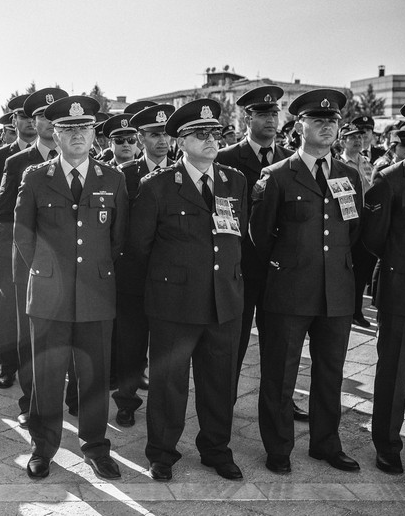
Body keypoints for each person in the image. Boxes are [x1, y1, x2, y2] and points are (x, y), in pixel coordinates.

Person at [129, 98, 247, 482]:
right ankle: (162, 453)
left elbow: (238, 237)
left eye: (216, 133)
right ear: (180, 141)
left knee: (219, 383)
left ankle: (216, 449)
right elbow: (139, 247)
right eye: (201, 134)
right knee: (168, 385)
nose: (212, 140)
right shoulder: (158, 186)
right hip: (174, 304)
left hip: (222, 301)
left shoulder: (234, 180)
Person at [14, 94, 127, 481]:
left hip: (96, 294)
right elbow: (23, 236)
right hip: (48, 295)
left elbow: (119, 239)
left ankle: (95, 447)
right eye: (68, 129)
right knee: (47, 375)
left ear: (94, 133)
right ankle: (43, 448)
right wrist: (47, 274)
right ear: (55, 134)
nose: (77, 135)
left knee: (94, 377)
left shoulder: (113, 178)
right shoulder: (35, 177)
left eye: (83, 127)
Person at [250, 88, 362, 475]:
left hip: (336, 293)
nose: (327, 127)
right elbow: (260, 237)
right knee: (280, 375)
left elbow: (355, 233)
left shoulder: (349, 175)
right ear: (299, 126)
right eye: (318, 121)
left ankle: (326, 444)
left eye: (332, 122)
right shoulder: (277, 176)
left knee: (330, 374)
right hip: (289, 293)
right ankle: (278, 448)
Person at [214, 86, 296, 402]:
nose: (271, 120)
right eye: (263, 114)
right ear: (247, 117)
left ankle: (281, 402)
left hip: (280, 271)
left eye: (274, 113)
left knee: (281, 346)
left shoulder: (291, 161)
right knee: (233, 342)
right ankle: (224, 400)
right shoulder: (226, 158)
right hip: (241, 269)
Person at [0, 88, 67, 414]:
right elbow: (4, 214)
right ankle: (29, 399)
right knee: (27, 330)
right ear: (32, 121)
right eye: (42, 116)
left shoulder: (80, 160)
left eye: (55, 116)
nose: (50, 123)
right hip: (29, 260)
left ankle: (70, 393)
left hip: (69, 261)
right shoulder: (16, 162)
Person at [112, 102, 174, 427]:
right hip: (133, 276)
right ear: (140, 137)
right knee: (131, 345)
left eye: (166, 133)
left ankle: (162, 408)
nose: (161, 140)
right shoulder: (126, 174)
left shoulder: (181, 171)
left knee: (165, 347)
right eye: (153, 134)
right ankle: (126, 401)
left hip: (168, 277)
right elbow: (119, 227)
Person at [361, 102, 405, 475]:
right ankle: (388, 445)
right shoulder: (390, 179)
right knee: (394, 373)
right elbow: (374, 240)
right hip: (402, 291)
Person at [0, 95, 34, 346]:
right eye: (24, 116)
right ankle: (2, 339)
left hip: (40, 236)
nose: (31, 122)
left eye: (36, 117)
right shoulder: (2, 156)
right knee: (4, 289)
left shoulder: (56, 154)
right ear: (14, 120)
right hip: (8, 233)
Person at [338, 123, 376, 328]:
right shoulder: (337, 164)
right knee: (343, 269)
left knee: (362, 270)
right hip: (346, 222)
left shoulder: (367, 163)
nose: (358, 140)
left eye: (360, 137)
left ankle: (355, 310)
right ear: (342, 141)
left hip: (365, 221)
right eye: (352, 137)